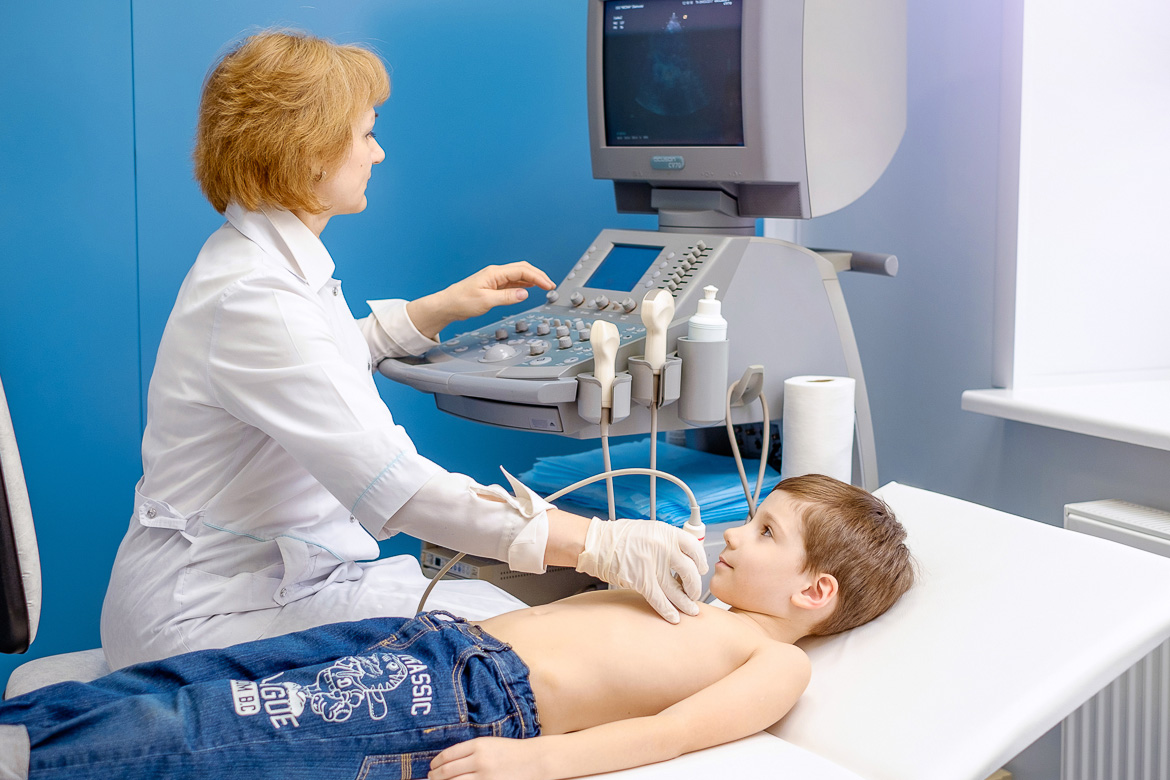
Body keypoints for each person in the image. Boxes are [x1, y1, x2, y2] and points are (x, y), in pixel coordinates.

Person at [99, 29, 706, 670]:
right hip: (207, 618)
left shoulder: (257, 264)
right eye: (366, 134)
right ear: (309, 155)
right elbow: (399, 487)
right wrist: (601, 544)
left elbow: (315, 364)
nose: (378, 152)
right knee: (514, 652)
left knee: (499, 621)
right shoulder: (258, 297)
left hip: (260, 584)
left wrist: (437, 309)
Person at [4, 475, 915, 780]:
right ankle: (28, 730)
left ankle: (33, 761)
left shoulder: (771, 660)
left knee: (223, 727)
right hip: (435, 645)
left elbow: (669, 733)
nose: (733, 533)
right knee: (214, 676)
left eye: (764, 532)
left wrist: (536, 762)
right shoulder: (708, 608)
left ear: (814, 593)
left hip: (472, 698)